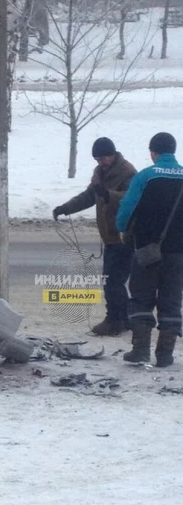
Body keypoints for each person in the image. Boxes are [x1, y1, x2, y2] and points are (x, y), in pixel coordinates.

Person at [52, 137, 137, 336]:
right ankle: (125, 319)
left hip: (123, 235)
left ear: (113, 154)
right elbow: (90, 196)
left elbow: (130, 198)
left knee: (112, 281)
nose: (101, 161)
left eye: (104, 157)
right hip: (109, 236)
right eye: (98, 159)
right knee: (114, 280)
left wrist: (108, 195)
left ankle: (115, 320)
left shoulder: (128, 172)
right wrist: (66, 208)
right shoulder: (99, 173)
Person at [116, 132, 183, 367]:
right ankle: (165, 355)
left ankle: (141, 350)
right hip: (178, 253)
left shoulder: (146, 176)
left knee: (142, 297)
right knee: (172, 300)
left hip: (146, 250)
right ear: (173, 151)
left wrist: (122, 228)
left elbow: (127, 208)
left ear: (154, 152)